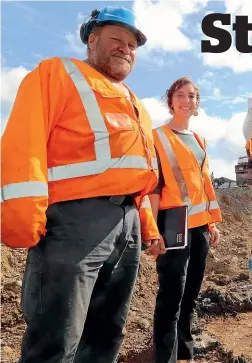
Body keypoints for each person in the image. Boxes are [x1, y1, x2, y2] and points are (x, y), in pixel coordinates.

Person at [0, 6, 161, 363]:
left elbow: (138, 178)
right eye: (116, 39)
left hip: (127, 225)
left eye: (133, 44)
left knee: (106, 335)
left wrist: (147, 228)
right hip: (73, 224)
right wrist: (21, 220)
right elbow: (22, 143)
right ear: (92, 39)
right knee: (57, 340)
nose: (126, 48)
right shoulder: (58, 74)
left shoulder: (136, 104)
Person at [143, 77, 222, 363]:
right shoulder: (157, 137)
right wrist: (152, 231)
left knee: (190, 296)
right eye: (180, 95)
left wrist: (211, 224)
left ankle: (183, 356)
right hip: (173, 221)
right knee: (171, 296)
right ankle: (165, 357)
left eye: (192, 96)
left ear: (197, 103)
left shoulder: (200, 140)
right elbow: (153, 187)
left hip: (199, 225)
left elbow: (204, 184)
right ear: (170, 100)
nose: (187, 100)